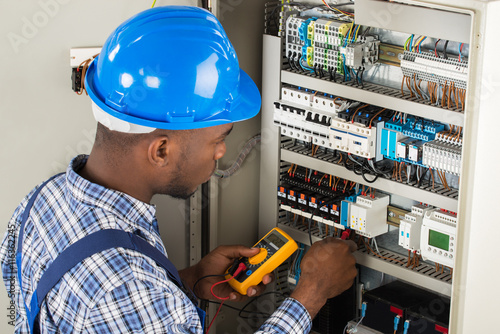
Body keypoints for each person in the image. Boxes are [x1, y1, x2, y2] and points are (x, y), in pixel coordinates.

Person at [0, 6, 357, 334]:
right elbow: (122, 297)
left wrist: (187, 279)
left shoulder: (42, 199)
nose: (222, 152)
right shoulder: (126, 284)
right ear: (161, 150)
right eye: (219, 138)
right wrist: (310, 294)